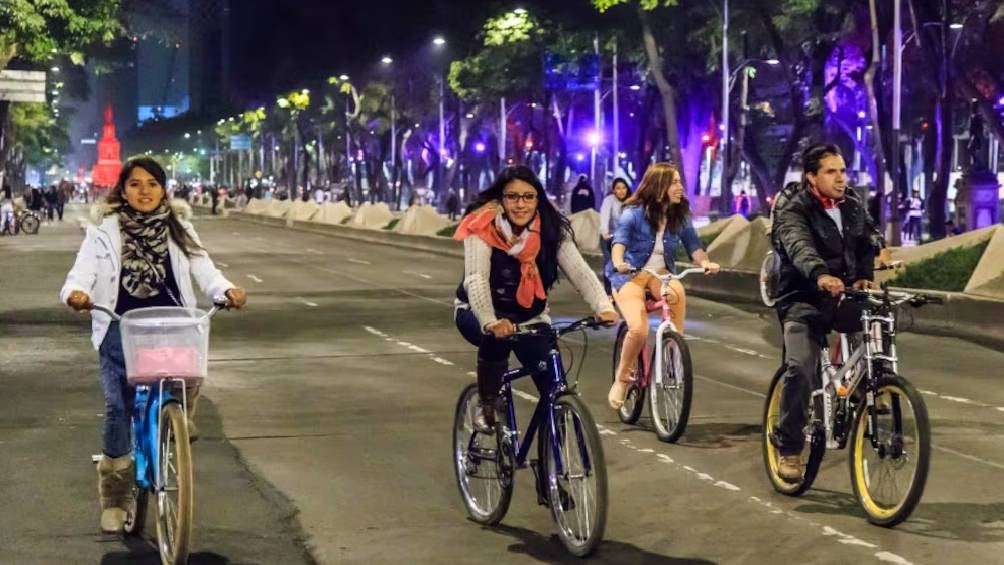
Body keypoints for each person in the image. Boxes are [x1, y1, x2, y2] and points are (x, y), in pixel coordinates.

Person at [59, 157, 248, 533]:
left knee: (188, 372)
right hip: (120, 323)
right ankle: (114, 496)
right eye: (134, 184)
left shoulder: (180, 227)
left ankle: (177, 418)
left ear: (164, 189)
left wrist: (225, 290)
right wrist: (75, 294)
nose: (143, 191)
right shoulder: (103, 230)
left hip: (172, 322)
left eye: (152, 184)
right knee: (118, 406)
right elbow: (80, 273)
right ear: (122, 189)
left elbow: (204, 268)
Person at [453, 165, 618, 431]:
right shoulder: (482, 227)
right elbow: (476, 278)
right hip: (476, 311)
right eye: (513, 197)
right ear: (501, 199)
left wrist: (603, 306)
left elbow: (579, 271)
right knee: (496, 340)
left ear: (538, 199)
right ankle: (488, 402)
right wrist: (490, 321)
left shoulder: (551, 229)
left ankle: (554, 450)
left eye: (528, 197)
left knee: (553, 385)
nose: (521, 204)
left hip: (529, 315)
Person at [770, 143, 875, 483]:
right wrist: (819, 274)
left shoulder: (853, 205)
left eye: (843, 170)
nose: (841, 178)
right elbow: (798, 245)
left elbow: (865, 241)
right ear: (812, 177)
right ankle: (788, 448)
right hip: (802, 298)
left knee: (880, 324)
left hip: (842, 295)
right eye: (831, 171)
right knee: (800, 367)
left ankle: (872, 391)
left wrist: (865, 275)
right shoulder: (793, 207)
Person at [607, 162, 720, 410]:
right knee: (637, 329)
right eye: (675, 182)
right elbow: (619, 242)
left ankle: (673, 353)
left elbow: (694, 246)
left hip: (661, 274)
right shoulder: (634, 213)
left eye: (680, 181)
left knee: (677, 293)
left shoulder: (679, 215)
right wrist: (618, 263)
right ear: (659, 187)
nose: (680, 187)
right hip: (631, 275)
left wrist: (705, 262)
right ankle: (621, 379)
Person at [599, 177, 631, 295]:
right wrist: (605, 232)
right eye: (618, 188)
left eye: (624, 188)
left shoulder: (632, 202)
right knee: (609, 263)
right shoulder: (609, 200)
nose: (621, 191)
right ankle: (608, 293)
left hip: (624, 239)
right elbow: (604, 216)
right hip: (609, 238)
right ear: (614, 190)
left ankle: (623, 291)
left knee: (627, 264)